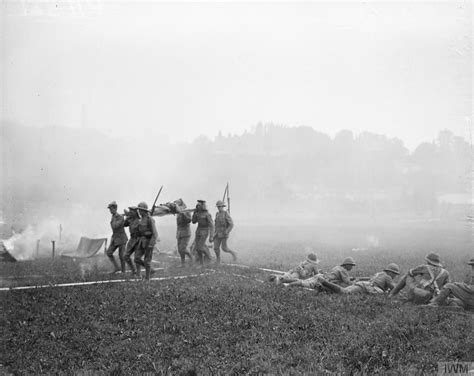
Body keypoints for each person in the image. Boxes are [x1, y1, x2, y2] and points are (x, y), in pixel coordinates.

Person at [319, 263, 400, 294]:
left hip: (363, 285)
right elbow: (394, 288)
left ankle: (324, 288)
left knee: (343, 291)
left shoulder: (380, 274)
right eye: (395, 274)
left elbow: (369, 278)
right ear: (390, 272)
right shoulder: (388, 277)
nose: (394, 276)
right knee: (345, 293)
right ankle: (325, 282)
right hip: (366, 287)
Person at [287, 256, 355, 289]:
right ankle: (288, 286)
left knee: (304, 282)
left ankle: (287, 283)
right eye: (351, 265)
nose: (351, 267)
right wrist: (355, 281)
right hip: (322, 279)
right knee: (304, 283)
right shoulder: (343, 271)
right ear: (347, 265)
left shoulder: (337, 267)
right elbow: (347, 282)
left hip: (321, 276)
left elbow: (338, 277)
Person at [134, 202, 159, 280]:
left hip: (148, 242)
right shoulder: (141, 220)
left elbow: (155, 233)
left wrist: (151, 244)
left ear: (144, 211)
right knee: (136, 258)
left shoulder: (150, 219)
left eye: (140, 210)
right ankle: (151, 269)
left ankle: (147, 278)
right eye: (139, 210)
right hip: (141, 242)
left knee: (147, 261)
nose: (139, 212)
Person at [105, 201, 128, 274]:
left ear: (115, 208)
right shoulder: (114, 216)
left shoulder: (120, 217)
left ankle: (123, 271)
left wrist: (117, 217)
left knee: (121, 256)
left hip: (121, 238)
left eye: (111, 209)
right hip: (115, 238)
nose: (110, 210)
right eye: (110, 209)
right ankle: (117, 267)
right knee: (109, 252)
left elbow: (115, 226)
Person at [191, 200, 214, 267]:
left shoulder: (207, 214)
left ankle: (206, 260)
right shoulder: (197, 213)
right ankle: (203, 262)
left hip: (205, 231)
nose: (198, 206)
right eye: (197, 205)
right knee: (197, 248)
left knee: (199, 248)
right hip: (198, 231)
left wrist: (211, 236)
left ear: (203, 206)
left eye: (199, 205)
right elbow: (193, 222)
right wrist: (194, 214)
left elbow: (212, 225)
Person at [174, 199, 193, 267]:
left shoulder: (187, 211)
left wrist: (183, 213)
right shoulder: (178, 213)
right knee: (180, 250)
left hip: (186, 233)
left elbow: (189, 220)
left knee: (183, 248)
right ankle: (183, 263)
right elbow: (178, 224)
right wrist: (177, 234)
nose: (177, 206)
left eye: (178, 205)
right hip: (179, 233)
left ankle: (191, 258)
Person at [123, 206, 140, 275]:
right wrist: (127, 217)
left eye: (131, 211)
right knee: (126, 256)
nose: (130, 212)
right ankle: (133, 270)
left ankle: (138, 273)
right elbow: (124, 224)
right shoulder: (130, 219)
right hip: (132, 239)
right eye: (130, 211)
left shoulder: (140, 220)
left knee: (137, 257)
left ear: (135, 212)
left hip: (138, 239)